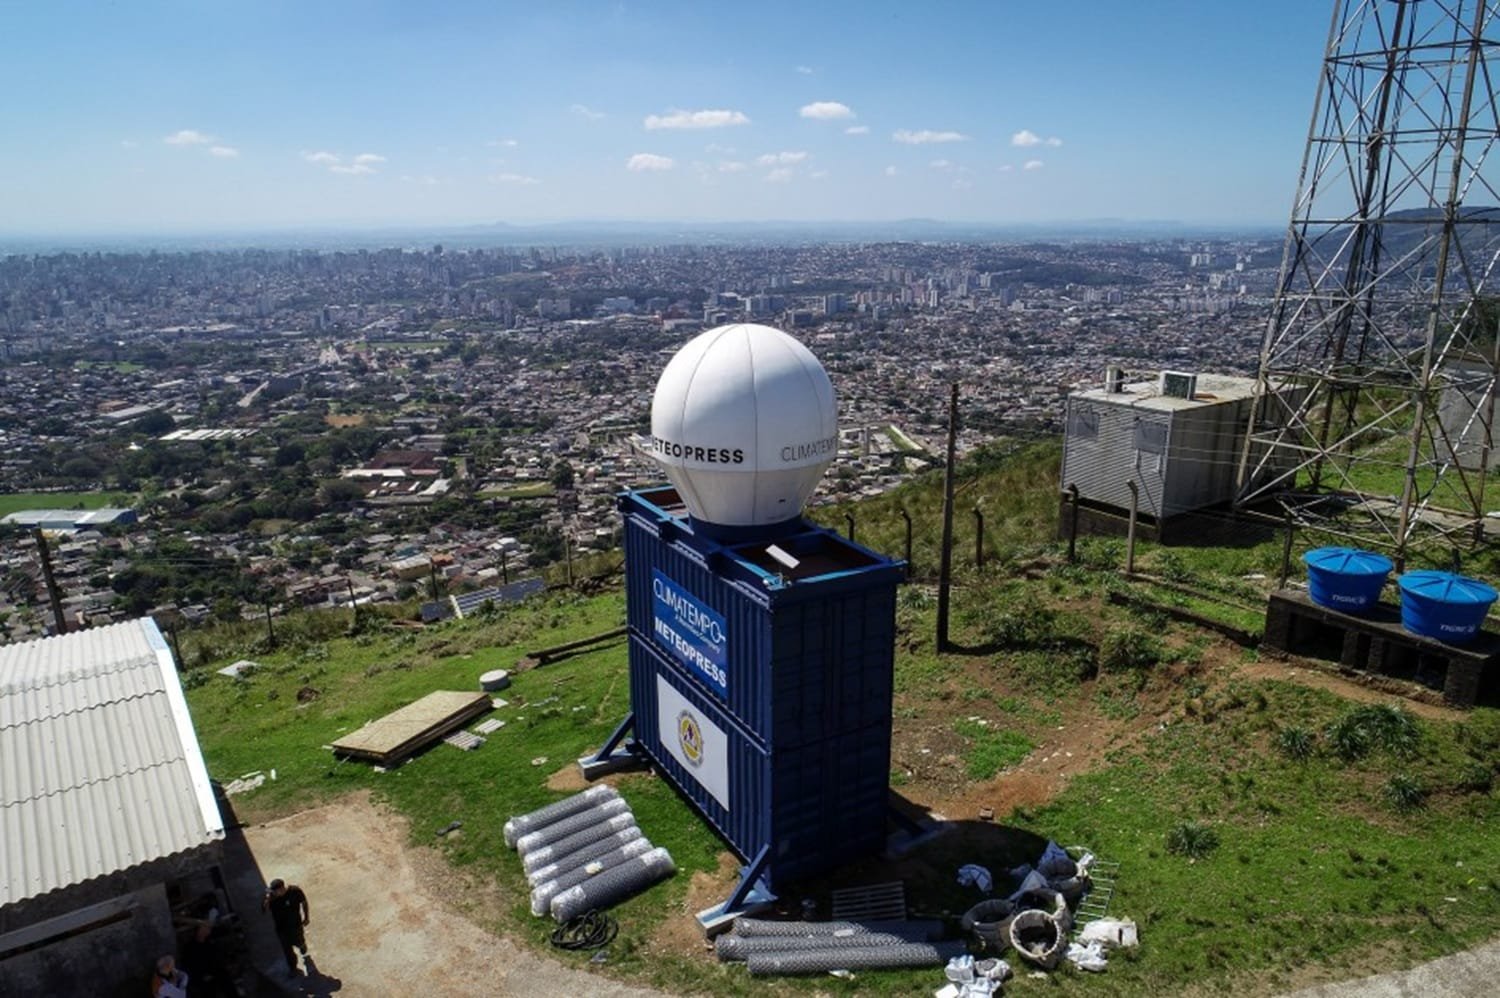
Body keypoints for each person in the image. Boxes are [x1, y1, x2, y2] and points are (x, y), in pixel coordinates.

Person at [262, 878, 310, 974]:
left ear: (281, 889)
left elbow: (304, 903)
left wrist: (306, 917)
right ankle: (293, 968)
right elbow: (263, 910)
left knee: (299, 941)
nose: (273, 893)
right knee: (287, 950)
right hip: (281, 929)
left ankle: (302, 946)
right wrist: (266, 900)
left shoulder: (295, 891)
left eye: (275, 891)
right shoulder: (271, 898)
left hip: (295, 925)